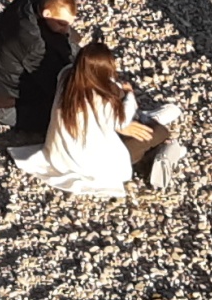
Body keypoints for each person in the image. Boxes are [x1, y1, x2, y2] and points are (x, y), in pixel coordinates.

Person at [20, 40, 185, 198]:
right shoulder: (103, 100)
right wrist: (129, 94)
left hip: (59, 156)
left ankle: (157, 145)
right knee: (160, 132)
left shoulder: (65, 76)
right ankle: (164, 148)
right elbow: (123, 120)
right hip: (92, 164)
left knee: (134, 127)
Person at [0, 0, 80, 141]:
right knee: (69, 116)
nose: (67, 29)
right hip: (5, 106)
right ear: (47, 14)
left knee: (69, 45)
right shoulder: (32, 45)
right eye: (62, 24)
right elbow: (56, 85)